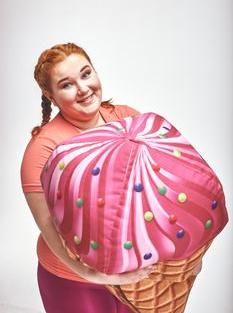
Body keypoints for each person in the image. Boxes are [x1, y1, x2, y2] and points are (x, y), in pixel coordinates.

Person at [21, 43, 153, 313]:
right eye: (67, 84)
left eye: (85, 74)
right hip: (73, 279)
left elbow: (164, 186)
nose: (83, 88)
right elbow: (48, 225)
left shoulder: (128, 118)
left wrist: (186, 253)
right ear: (51, 95)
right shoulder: (44, 148)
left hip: (136, 273)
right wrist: (92, 274)